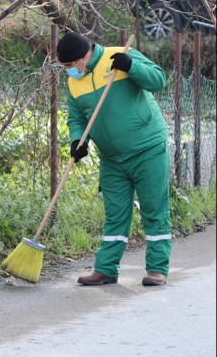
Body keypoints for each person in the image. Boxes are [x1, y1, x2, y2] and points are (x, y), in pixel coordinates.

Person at [56, 32, 172, 287]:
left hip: (147, 149)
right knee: (115, 214)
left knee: (154, 209)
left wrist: (131, 67)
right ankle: (106, 269)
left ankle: (157, 268)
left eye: (69, 65)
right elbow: (76, 117)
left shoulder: (119, 55)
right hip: (111, 158)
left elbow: (159, 80)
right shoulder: (74, 83)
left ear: (83, 57)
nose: (68, 71)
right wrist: (78, 141)